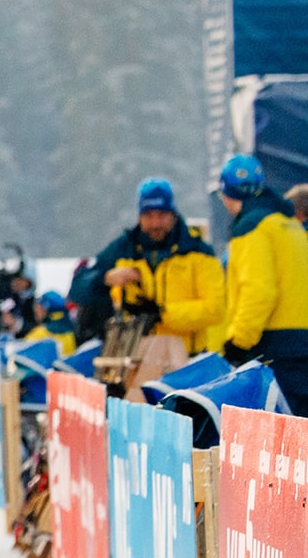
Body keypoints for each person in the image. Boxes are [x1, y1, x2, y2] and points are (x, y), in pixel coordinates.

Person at [77, 178, 226, 357]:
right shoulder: (124, 248)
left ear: (173, 214)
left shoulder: (198, 251)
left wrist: (162, 314)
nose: (155, 223)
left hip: (187, 358)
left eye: (162, 216)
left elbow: (215, 309)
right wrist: (106, 278)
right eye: (149, 216)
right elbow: (78, 287)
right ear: (140, 216)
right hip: (135, 359)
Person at [218, 154, 308, 410]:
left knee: (283, 437)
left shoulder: (251, 227)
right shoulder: (289, 224)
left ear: (225, 194)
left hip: (273, 347)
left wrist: (238, 342)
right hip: (301, 343)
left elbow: (259, 291)